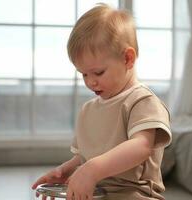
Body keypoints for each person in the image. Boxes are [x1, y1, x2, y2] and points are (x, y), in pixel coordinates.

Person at [32, 3, 172, 200]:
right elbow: (85, 157)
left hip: (133, 195)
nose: (90, 82)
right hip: (97, 193)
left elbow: (141, 146)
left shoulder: (142, 101)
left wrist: (92, 170)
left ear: (127, 59)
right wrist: (67, 171)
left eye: (98, 72)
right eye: (84, 74)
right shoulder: (88, 109)